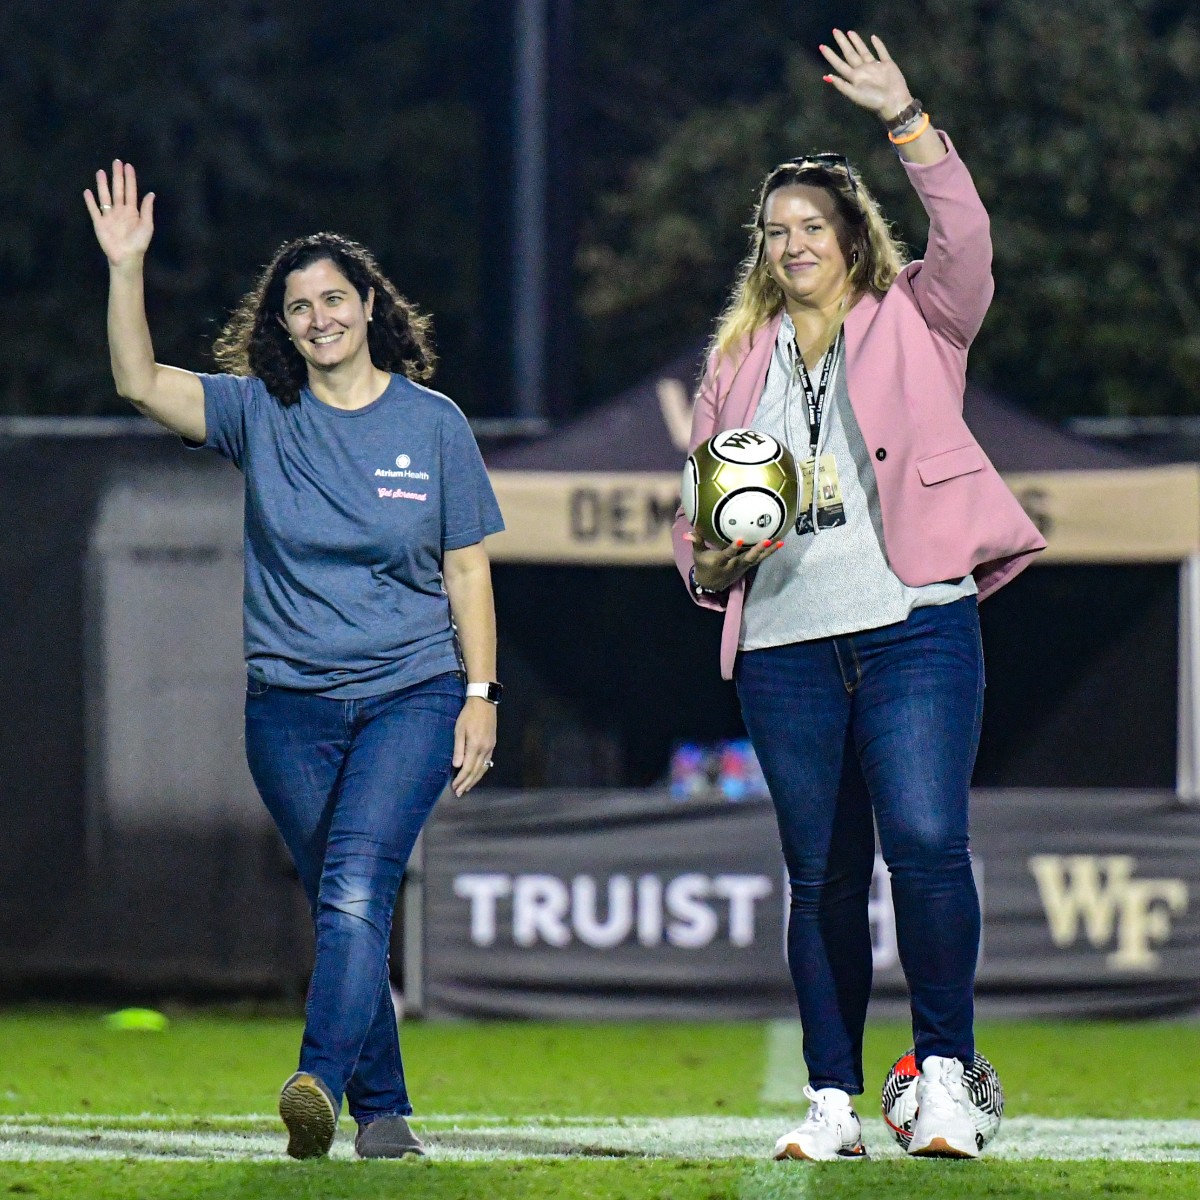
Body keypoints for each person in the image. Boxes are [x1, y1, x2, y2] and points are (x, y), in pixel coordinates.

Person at [672, 31, 1045, 1161]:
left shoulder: (919, 322)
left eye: (810, 228)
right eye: (774, 231)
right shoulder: (737, 361)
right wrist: (715, 561)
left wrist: (907, 122)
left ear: (849, 239)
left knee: (927, 843)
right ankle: (833, 1101)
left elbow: (969, 240)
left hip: (914, 625)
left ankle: (943, 1082)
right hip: (787, 641)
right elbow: (694, 529)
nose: (791, 244)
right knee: (820, 874)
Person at [85, 162, 505, 1160]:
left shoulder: (433, 424)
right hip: (288, 710)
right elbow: (137, 382)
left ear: (368, 306)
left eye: (332, 299)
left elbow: (468, 570)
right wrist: (125, 268)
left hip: (411, 692)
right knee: (343, 903)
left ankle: (316, 1074)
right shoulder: (257, 413)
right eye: (297, 306)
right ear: (282, 325)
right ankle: (385, 1115)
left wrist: (481, 692)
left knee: (358, 888)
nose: (316, 317)